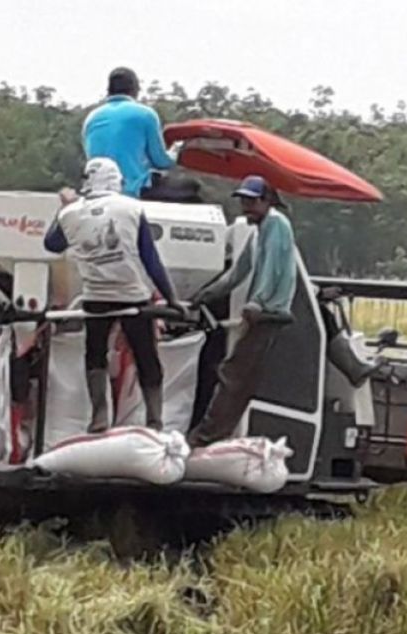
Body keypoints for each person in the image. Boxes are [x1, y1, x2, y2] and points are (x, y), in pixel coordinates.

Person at [43, 157, 184, 433]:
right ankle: (155, 421)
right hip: (132, 296)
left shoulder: (70, 213)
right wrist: (172, 298)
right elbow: (150, 259)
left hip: (96, 296)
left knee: (95, 354)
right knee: (146, 356)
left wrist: (64, 208)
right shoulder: (131, 208)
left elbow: (51, 244)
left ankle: (99, 416)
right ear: (116, 180)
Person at [185, 175, 298, 447]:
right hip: (262, 310)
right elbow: (238, 272)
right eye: (243, 201)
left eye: (251, 201)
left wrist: (256, 302)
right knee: (239, 376)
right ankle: (213, 433)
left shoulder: (276, 225)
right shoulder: (258, 232)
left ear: (266, 201)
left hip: (269, 312)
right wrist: (204, 295)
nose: (245, 207)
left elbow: (273, 268)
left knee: (233, 375)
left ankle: (205, 436)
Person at [82, 67, 200, 202]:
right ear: (135, 89)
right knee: (192, 187)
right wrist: (176, 151)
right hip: (134, 189)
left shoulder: (91, 118)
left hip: (97, 190)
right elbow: (161, 162)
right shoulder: (145, 114)